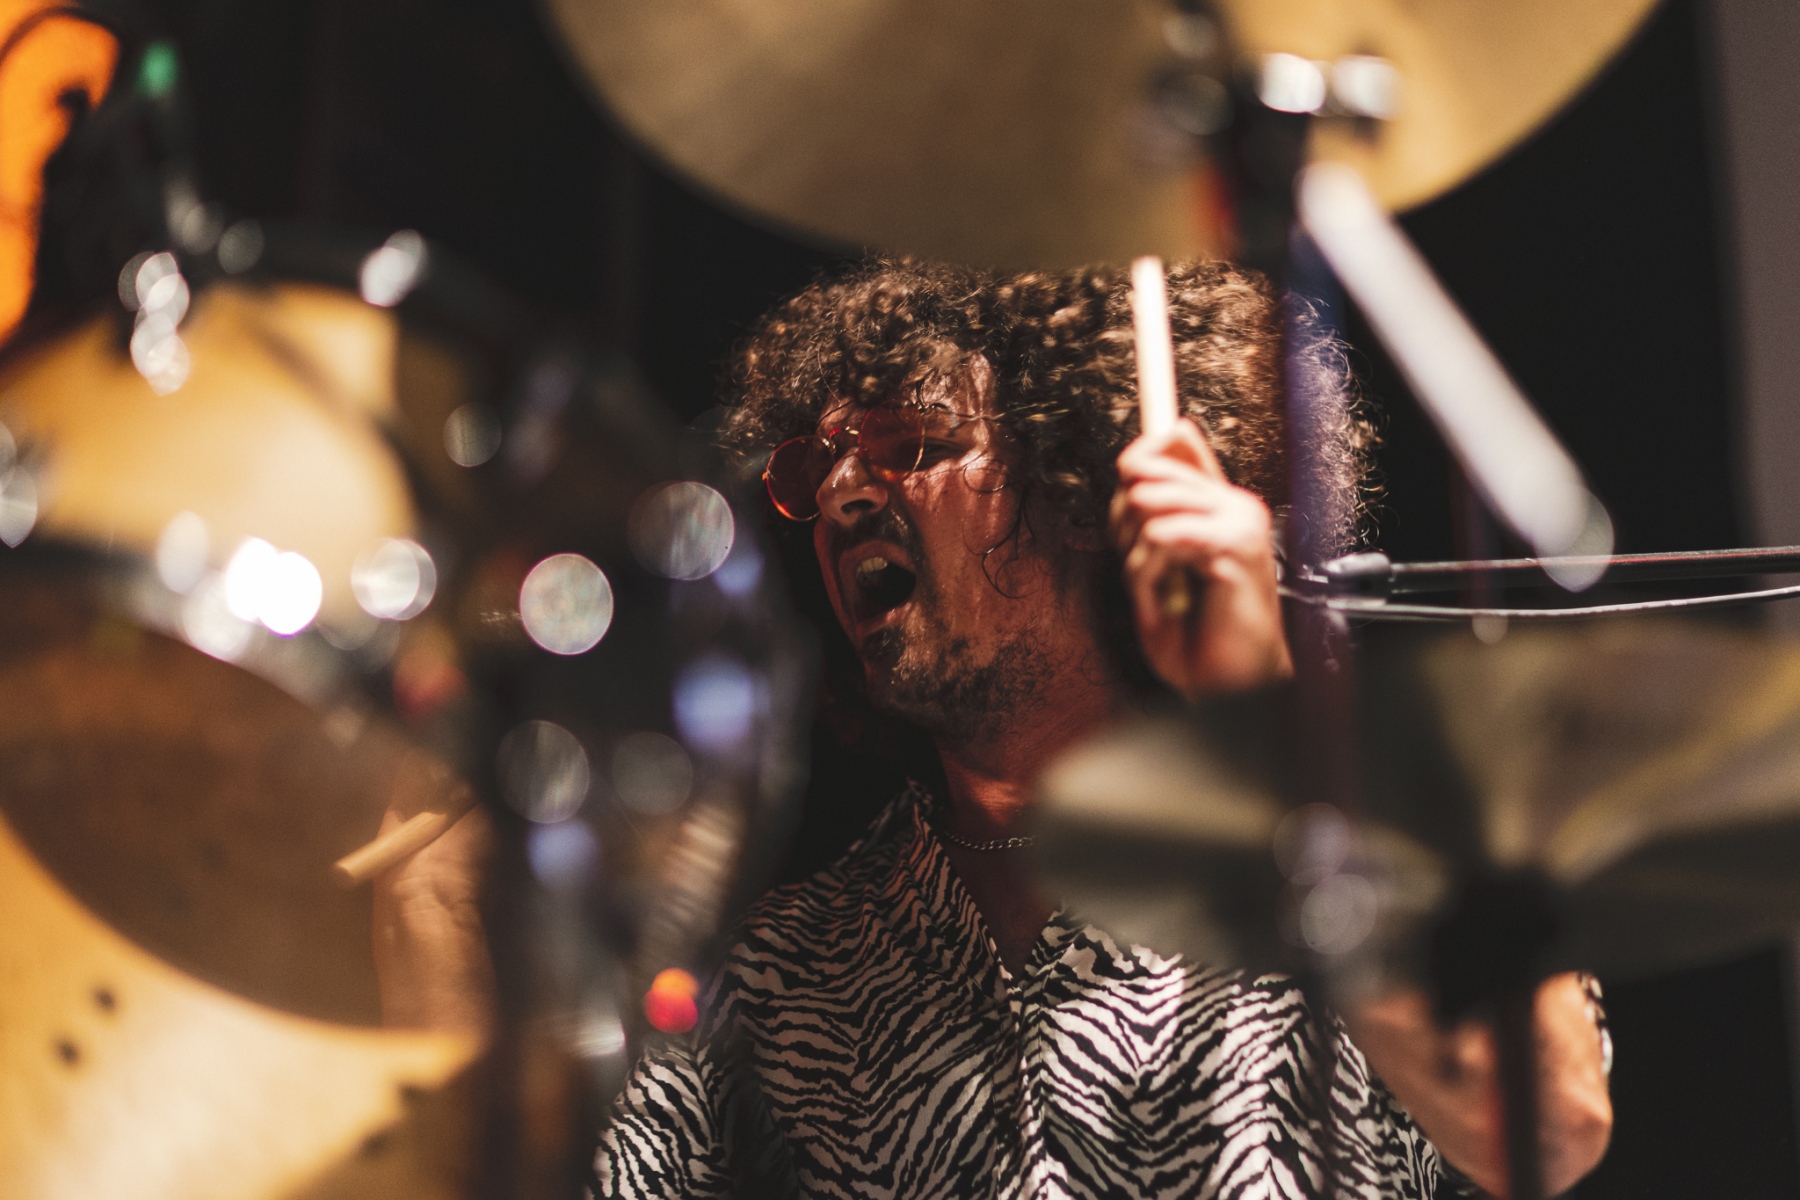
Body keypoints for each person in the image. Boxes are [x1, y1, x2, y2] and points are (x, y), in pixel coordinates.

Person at [586, 258, 1614, 1198]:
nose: (843, 490)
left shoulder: (1368, 842)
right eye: (815, 468)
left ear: (1084, 487)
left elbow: (1552, 1125)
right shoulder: (776, 977)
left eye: (911, 442)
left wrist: (1268, 717)